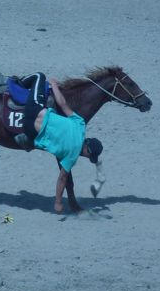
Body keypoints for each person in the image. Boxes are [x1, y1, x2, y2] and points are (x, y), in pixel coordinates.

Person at [14, 72, 103, 213]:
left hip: (34, 111)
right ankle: (30, 141)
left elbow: (62, 103)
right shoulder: (71, 157)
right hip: (31, 130)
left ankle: (17, 82)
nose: (86, 157)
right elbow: (62, 178)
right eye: (88, 155)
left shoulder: (80, 124)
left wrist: (54, 85)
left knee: (39, 76)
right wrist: (58, 202)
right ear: (87, 148)